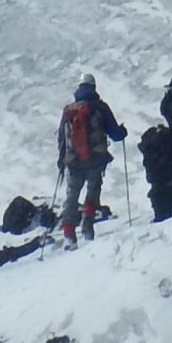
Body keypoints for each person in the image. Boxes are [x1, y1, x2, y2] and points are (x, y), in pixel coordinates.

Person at [55, 73, 128, 244]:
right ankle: (87, 226)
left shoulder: (69, 110)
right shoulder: (100, 107)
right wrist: (123, 132)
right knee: (93, 190)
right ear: (93, 87)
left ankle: (69, 234)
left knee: (71, 195)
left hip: (73, 162)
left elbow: (62, 139)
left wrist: (62, 160)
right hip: (95, 159)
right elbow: (115, 133)